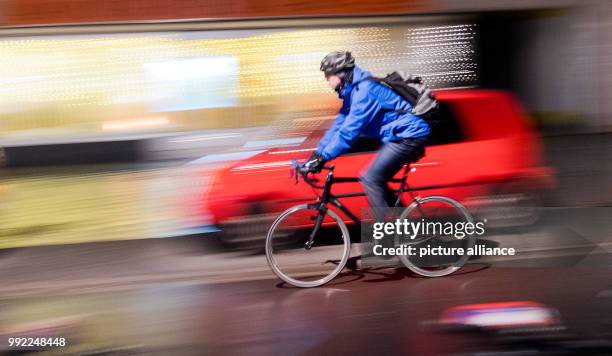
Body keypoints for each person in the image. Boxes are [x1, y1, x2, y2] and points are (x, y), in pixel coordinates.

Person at [303, 51, 430, 221]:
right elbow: (339, 125)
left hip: (410, 135)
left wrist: (324, 157)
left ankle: (387, 237)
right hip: (398, 135)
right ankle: (405, 226)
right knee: (376, 179)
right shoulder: (353, 92)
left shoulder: (365, 91)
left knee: (369, 178)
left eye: (328, 75)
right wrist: (316, 154)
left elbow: (350, 130)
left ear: (340, 73)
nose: (326, 79)